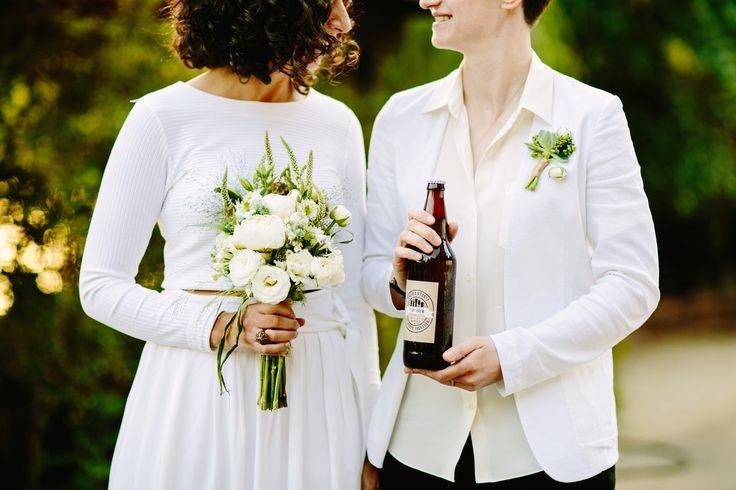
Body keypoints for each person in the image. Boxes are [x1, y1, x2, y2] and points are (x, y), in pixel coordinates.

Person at [78, 1, 380, 488]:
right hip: (200, 392)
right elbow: (100, 287)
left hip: (320, 402)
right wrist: (221, 326)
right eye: (329, 5)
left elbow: (352, 298)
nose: (345, 22)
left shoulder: (338, 123)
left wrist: (372, 430)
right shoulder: (162, 117)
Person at [361, 0, 660, 488]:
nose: (426, 1)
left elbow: (634, 284)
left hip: (549, 454)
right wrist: (398, 278)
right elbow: (373, 273)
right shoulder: (402, 117)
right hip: (418, 447)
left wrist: (514, 357)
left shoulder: (592, 117)